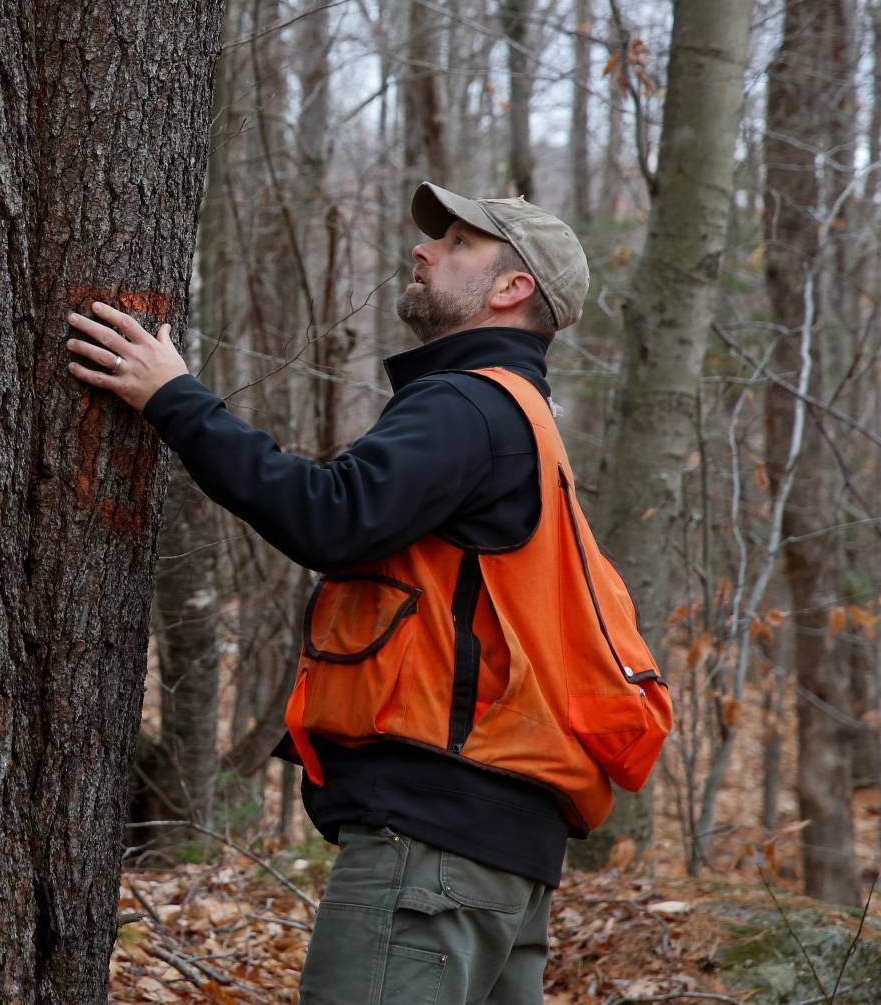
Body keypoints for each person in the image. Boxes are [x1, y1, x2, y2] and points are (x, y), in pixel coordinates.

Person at [66, 183, 668, 1003]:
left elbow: (331, 517)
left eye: (456, 243)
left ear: (511, 287)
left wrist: (176, 399)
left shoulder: (472, 403)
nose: (424, 250)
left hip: (438, 845)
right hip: (499, 855)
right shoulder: (524, 418)